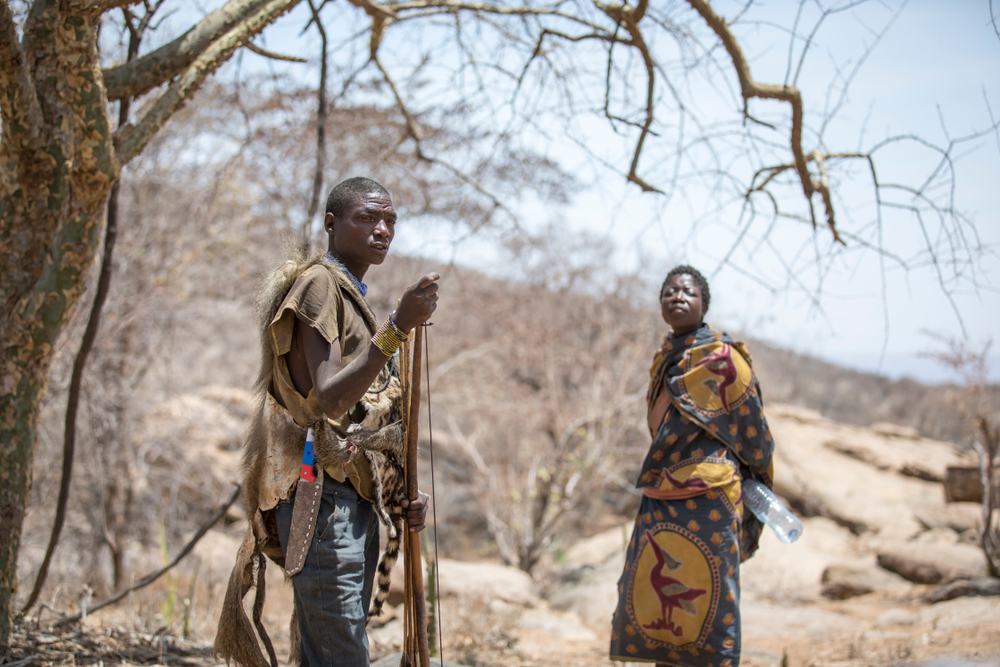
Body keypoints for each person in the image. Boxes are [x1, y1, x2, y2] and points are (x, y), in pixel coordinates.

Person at [215, 177, 439, 667]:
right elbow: (331, 400)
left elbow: (364, 416)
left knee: (334, 651)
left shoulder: (350, 294)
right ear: (331, 224)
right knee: (340, 656)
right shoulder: (319, 285)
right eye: (368, 218)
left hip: (352, 499)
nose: (383, 230)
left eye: (390, 220)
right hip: (324, 501)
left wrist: (402, 492)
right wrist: (398, 327)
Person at [609, 265, 774, 667]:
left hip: (710, 496)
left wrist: (755, 480)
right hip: (661, 491)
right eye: (670, 291)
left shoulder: (723, 357)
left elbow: (754, 431)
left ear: (704, 304)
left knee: (712, 598)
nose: (678, 297)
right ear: (660, 304)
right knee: (652, 598)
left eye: (688, 292)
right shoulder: (664, 358)